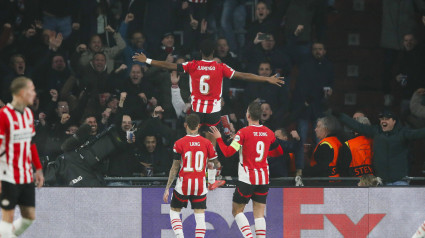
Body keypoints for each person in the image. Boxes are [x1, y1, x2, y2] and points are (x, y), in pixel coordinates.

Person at [209, 102, 281, 238]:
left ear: (247, 115)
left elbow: (228, 152)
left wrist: (219, 139)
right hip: (264, 178)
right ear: (259, 116)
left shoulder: (242, 133)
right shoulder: (269, 133)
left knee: (237, 211)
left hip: (247, 178)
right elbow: (278, 152)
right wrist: (265, 154)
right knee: (259, 214)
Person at [163, 114, 220, 238]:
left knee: (174, 212)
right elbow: (215, 163)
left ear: (186, 125)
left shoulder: (179, 143)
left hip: (184, 183)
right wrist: (211, 179)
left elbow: (174, 167)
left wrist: (167, 188)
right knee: (200, 217)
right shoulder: (207, 143)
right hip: (199, 184)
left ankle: (180, 236)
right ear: (199, 126)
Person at [0, 77, 44, 237]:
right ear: (20, 93)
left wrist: (38, 169)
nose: (34, 94)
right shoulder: (3, 115)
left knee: (29, 217)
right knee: (8, 218)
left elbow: (31, 143)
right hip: (7, 175)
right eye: (31, 90)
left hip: (26, 175)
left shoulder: (28, 114)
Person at [334, 109, 425, 185]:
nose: (383, 121)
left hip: (400, 181)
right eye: (381, 119)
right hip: (382, 183)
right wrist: (340, 115)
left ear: (394, 121)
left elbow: (419, 133)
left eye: (387, 119)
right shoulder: (376, 131)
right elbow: (358, 126)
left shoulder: (403, 133)